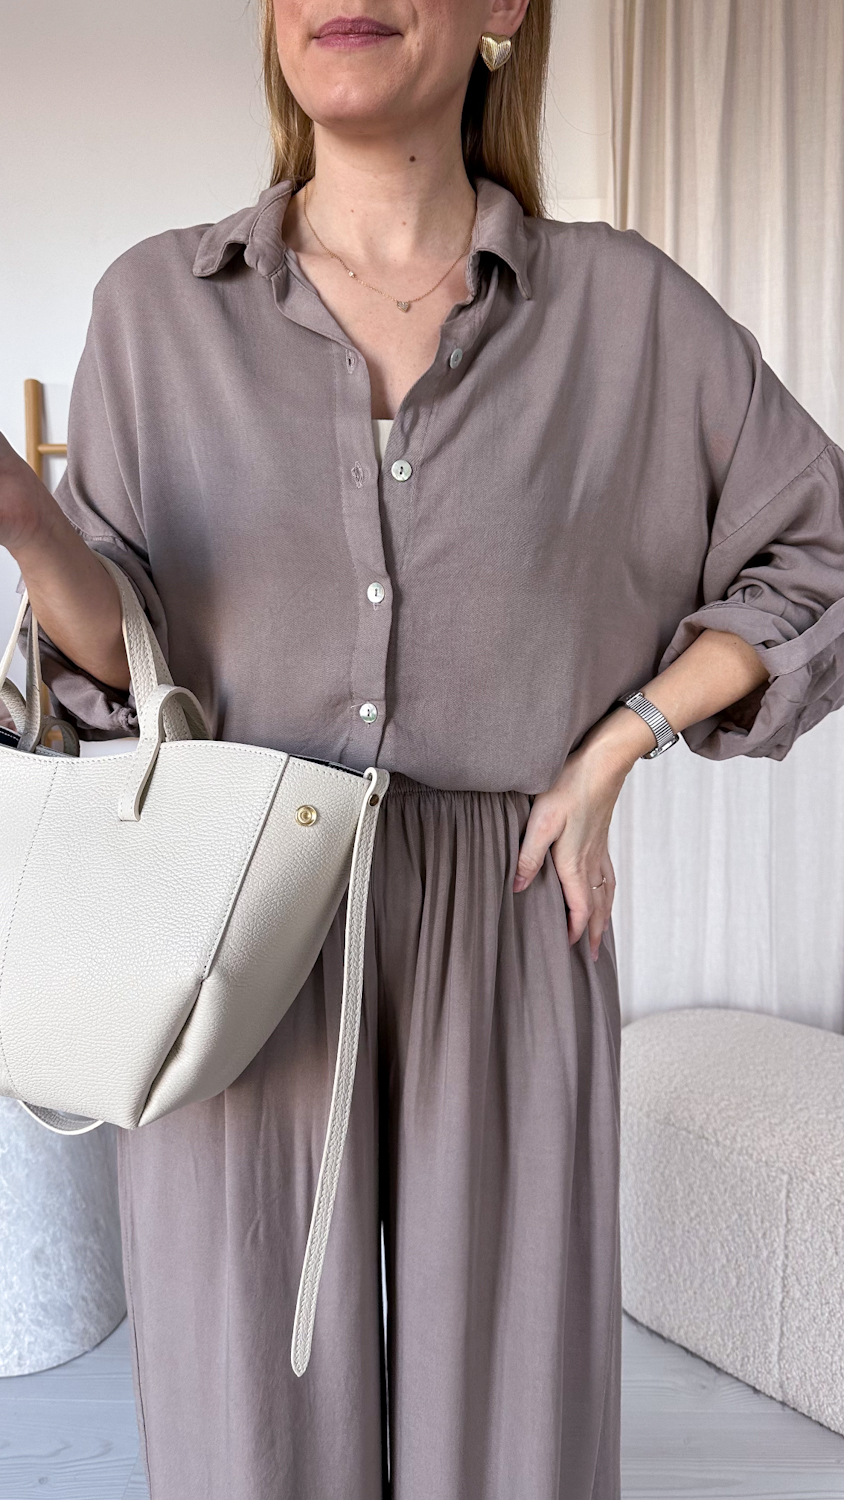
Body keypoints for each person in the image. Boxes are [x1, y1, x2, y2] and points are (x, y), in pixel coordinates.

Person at [2, 0, 844, 1495]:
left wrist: (623, 741)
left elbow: (819, 550)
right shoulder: (157, 309)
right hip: (232, 915)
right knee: (244, 1432)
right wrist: (21, 520)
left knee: (512, 1437)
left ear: (504, 10)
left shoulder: (628, 314)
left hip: (509, 903)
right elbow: (124, 666)